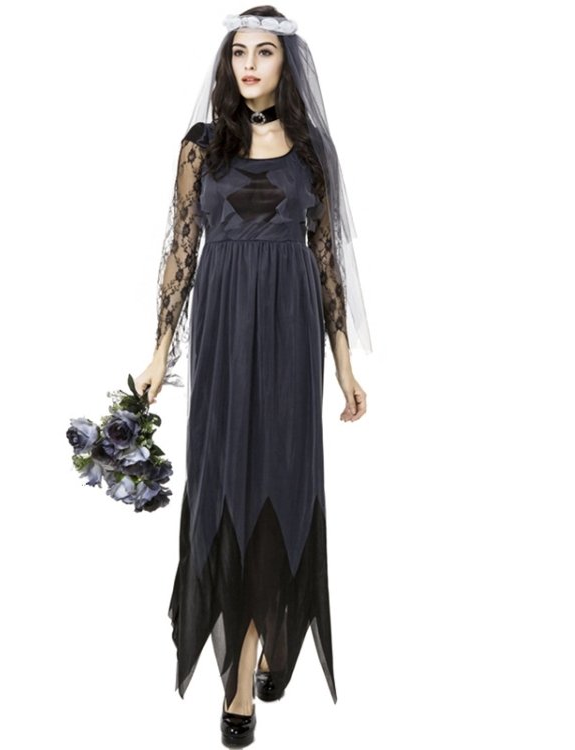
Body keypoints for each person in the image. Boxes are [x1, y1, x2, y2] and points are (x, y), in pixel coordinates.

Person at [135, 6, 371, 746]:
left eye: (264, 52)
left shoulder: (312, 151)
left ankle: (266, 638)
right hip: (222, 328)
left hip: (293, 332)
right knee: (226, 485)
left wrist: (344, 364)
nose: (249, 65)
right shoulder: (201, 147)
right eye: (239, 51)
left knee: (281, 482)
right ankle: (241, 674)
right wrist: (160, 350)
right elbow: (181, 250)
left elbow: (326, 258)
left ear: (286, 65)